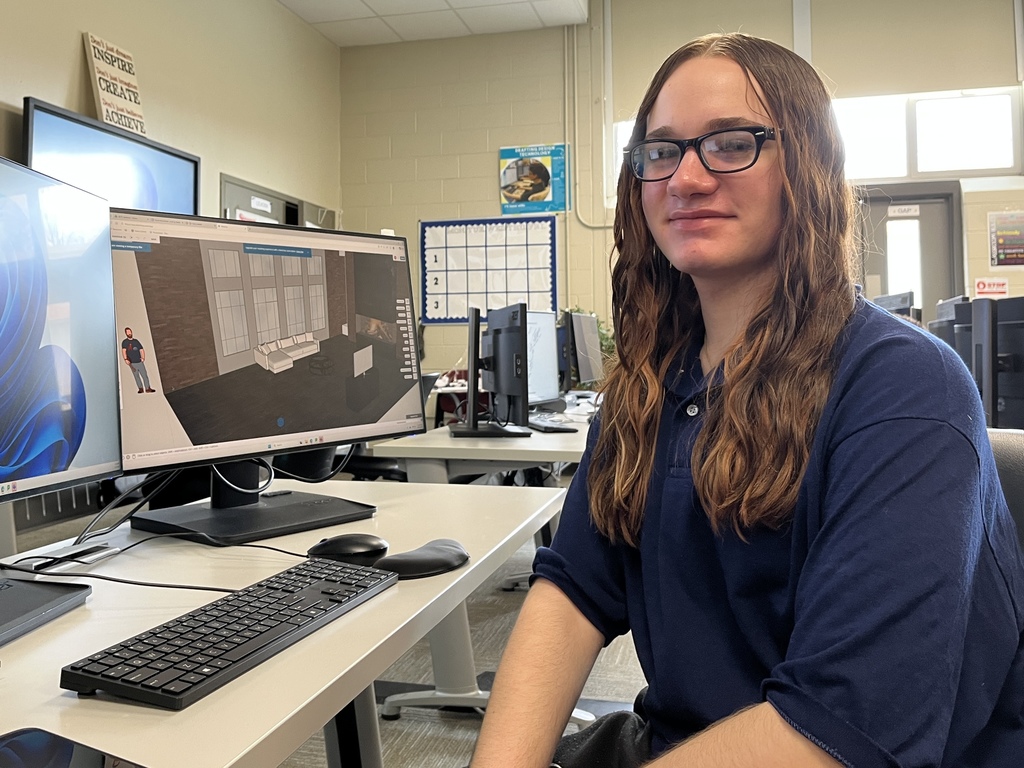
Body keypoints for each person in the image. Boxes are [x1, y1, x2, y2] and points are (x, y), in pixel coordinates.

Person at [470, 32, 1024, 768]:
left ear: (810, 167)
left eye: (732, 144)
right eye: (661, 151)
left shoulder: (903, 386)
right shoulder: (647, 386)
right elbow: (572, 591)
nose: (686, 179)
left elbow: (841, 726)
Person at [121, 327, 155, 393]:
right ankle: (140, 388)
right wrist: (125, 359)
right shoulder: (125, 342)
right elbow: (124, 351)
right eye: (127, 332)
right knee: (136, 376)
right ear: (126, 333)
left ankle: (148, 388)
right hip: (132, 363)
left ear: (131, 332)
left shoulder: (136, 341)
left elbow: (141, 349)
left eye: (129, 332)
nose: (129, 333)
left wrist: (143, 358)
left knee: (144, 375)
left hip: (139, 362)